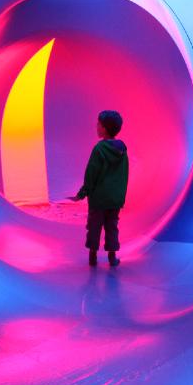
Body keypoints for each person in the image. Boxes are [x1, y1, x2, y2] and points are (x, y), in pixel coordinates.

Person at [69, 110, 128, 267]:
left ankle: (93, 256)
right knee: (112, 226)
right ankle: (112, 257)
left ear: (105, 128)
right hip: (114, 200)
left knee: (94, 227)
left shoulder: (99, 149)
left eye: (99, 124)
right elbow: (124, 176)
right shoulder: (122, 151)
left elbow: (91, 175)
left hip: (98, 199)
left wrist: (82, 194)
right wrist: (120, 197)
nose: (96, 127)